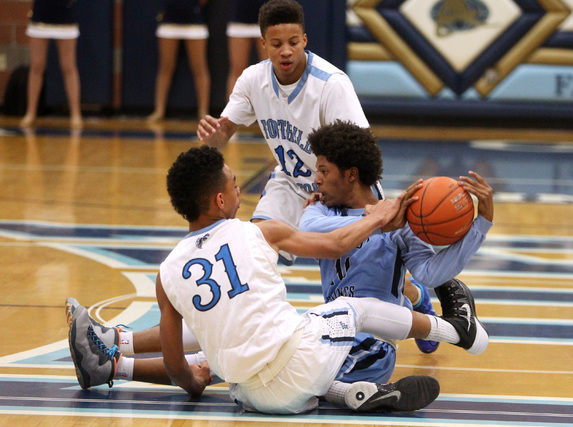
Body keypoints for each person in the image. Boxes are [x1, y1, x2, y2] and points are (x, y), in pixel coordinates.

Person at [66, 145, 489, 414]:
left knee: (219, 329)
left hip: (247, 394)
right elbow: (338, 244)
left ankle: (116, 361)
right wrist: (377, 216)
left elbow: (178, 363)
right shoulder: (257, 231)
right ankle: (457, 332)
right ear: (220, 199)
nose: (239, 189)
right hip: (301, 363)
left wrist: (194, 385)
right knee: (350, 311)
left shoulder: (168, 273)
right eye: (234, 184)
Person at [198, 0, 437, 347]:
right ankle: (250, 332)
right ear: (263, 44)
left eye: (293, 42)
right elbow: (224, 134)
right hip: (291, 184)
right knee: (253, 249)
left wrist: (369, 208)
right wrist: (213, 137)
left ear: (305, 39)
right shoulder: (252, 80)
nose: (286, 51)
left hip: (343, 188)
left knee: (373, 273)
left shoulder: (331, 84)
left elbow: (362, 150)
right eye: (277, 44)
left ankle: (416, 298)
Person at [300, 120, 494, 383]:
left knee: (307, 380)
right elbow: (309, 229)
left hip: (375, 344)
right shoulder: (320, 210)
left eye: (324, 170)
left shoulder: (401, 225)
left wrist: (480, 226)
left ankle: (414, 297)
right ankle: (412, 295)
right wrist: (378, 222)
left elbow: (430, 272)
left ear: (351, 174)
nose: (316, 178)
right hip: (332, 333)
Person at [20, 0, 82, 128]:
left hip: (65, 16)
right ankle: (31, 112)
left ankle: (75, 114)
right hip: (40, 16)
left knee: (68, 67)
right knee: (37, 67)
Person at [147, 0, 211, 122]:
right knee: (165, 68)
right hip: (169, 20)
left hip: (194, 20)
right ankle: (159, 110)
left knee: (199, 68)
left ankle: (203, 111)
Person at [225, 0, 269, 99]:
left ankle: (274, 112)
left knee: (271, 71)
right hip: (239, 19)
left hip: (267, 19)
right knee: (237, 70)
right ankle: (232, 113)